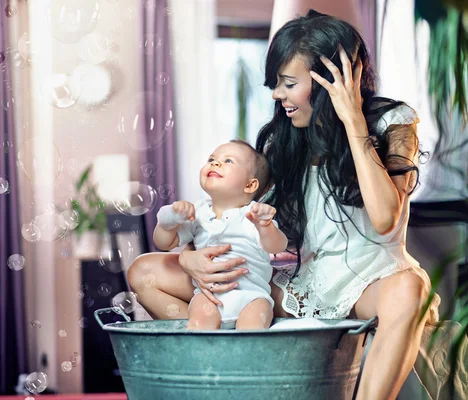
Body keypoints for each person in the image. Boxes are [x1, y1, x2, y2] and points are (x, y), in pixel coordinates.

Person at [128, 10, 440, 399]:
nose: (277, 95)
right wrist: (190, 256)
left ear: (333, 81)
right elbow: (230, 216)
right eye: (277, 84)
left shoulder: (393, 122)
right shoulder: (285, 139)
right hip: (303, 286)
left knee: (410, 287)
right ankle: (223, 372)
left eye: (288, 83)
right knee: (146, 271)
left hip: (371, 282)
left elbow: (384, 219)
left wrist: (352, 120)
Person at [151, 139, 288, 330]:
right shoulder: (197, 213)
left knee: (252, 333)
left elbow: (277, 246)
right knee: (199, 325)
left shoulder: (253, 215)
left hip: (251, 297)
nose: (215, 163)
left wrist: (266, 226)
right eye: (212, 159)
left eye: (228, 161)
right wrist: (169, 222)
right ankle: (206, 356)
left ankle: (244, 356)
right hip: (208, 297)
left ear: (249, 185)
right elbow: (164, 243)